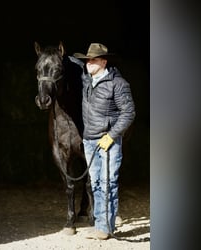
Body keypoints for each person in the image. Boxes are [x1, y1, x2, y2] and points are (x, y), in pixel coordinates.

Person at [73, 43, 136, 240]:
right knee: (97, 184)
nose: (88, 63)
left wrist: (111, 135)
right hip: (90, 140)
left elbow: (129, 113)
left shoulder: (118, 84)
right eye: (86, 60)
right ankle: (100, 225)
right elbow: (70, 63)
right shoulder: (86, 79)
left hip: (108, 141)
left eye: (92, 59)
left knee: (109, 183)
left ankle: (106, 227)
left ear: (104, 61)